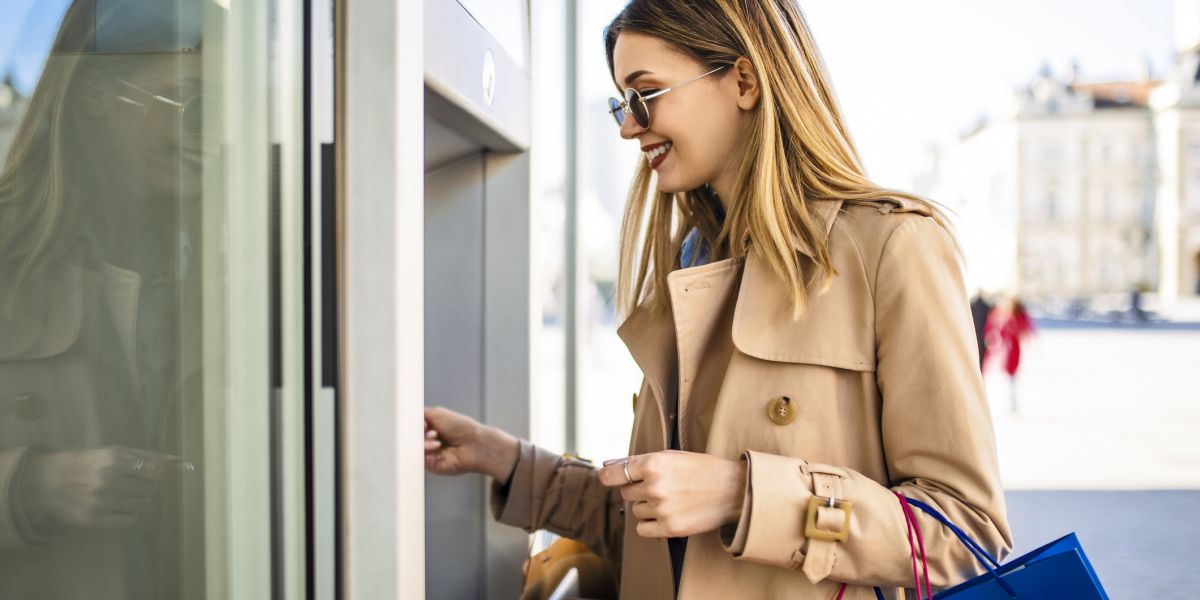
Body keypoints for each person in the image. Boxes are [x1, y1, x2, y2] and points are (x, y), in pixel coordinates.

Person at [424, 1, 1012, 598]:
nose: (629, 126)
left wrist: (743, 494)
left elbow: (965, 535)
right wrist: (508, 460)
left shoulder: (893, 247)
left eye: (645, 95)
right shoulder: (691, 266)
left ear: (744, 81)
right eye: (620, 104)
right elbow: (661, 531)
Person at [0, 1, 203, 597]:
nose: (209, 133)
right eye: (190, 102)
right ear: (95, 98)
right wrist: (32, 486)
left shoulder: (258, 271)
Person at [983, 297, 1035, 414]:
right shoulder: (1004, 317)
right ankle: (1006, 403)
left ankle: (1012, 404)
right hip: (1002, 352)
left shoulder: (1016, 319)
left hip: (1011, 352)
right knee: (1000, 377)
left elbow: (1025, 331)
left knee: (1011, 376)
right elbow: (994, 330)